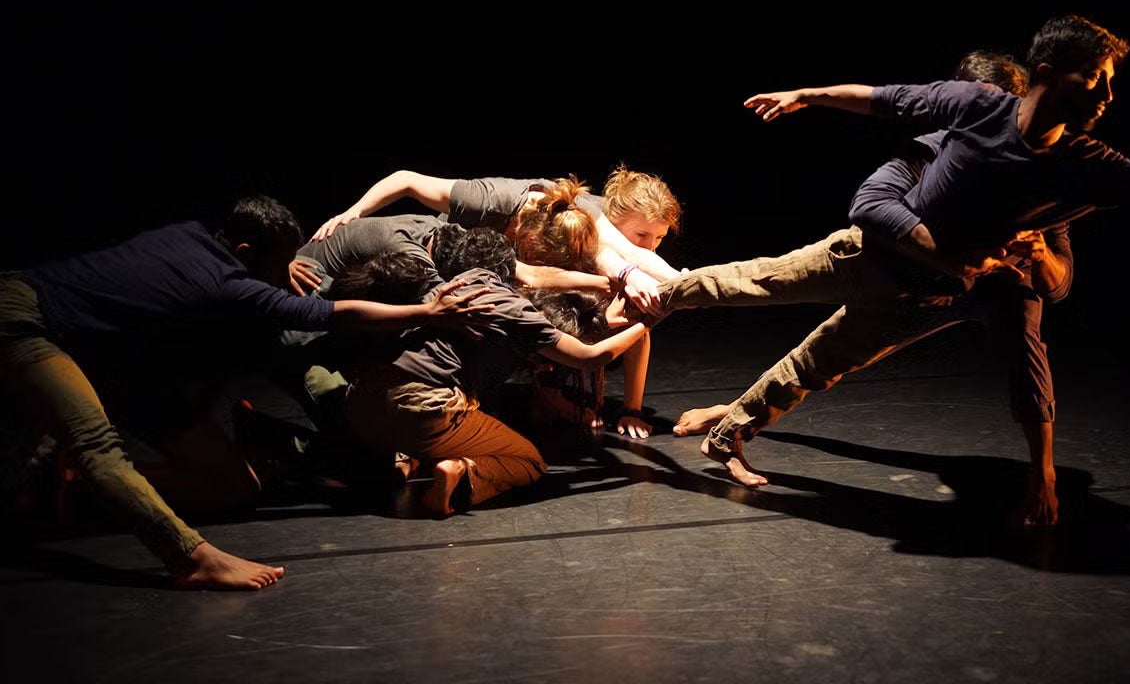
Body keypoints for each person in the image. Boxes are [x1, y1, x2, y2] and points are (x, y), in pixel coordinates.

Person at [659, 14, 1130, 526]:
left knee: (811, 367)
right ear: (1045, 75)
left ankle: (727, 432)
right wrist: (806, 95)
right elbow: (884, 107)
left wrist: (1028, 261)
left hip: (914, 302)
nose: (1107, 96)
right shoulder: (968, 111)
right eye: (1094, 78)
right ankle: (647, 293)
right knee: (745, 281)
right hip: (866, 255)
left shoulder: (1083, 167)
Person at [0, 194, 495, 590]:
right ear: (244, 254)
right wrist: (427, 313)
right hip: (25, 318)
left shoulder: (192, 235)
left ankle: (62, 487)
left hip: (109, 355)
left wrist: (277, 271)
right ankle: (189, 558)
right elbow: (331, 313)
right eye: (280, 264)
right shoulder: (227, 285)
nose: (288, 275)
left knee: (235, 488)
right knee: (98, 448)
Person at [308, 164, 684, 438]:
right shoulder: (492, 204)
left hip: (494, 274)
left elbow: (611, 269)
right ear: (531, 241)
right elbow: (406, 180)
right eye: (641, 236)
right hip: (443, 270)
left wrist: (648, 285)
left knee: (576, 320)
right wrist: (353, 211)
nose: (646, 247)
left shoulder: (582, 227)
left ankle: (544, 395)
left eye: (658, 239)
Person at [321, 227, 658, 517]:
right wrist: (649, 320)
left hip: (360, 403)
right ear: (508, 269)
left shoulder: (444, 289)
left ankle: (401, 460)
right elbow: (590, 357)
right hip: (421, 407)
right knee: (528, 461)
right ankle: (460, 474)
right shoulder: (510, 306)